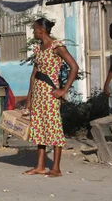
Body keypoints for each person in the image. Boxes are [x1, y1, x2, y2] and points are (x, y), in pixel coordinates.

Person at [24, 18, 78, 178]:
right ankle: (40, 166)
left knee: (53, 128)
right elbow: (34, 74)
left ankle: (56, 168)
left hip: (50, 94)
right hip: (38, 94)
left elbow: (74, 67)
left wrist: (63, 90)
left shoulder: (57, 46)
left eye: (34, 29)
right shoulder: (39, 49)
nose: (33, 32)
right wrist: (29, 98)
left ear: (41, 29)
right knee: (39, 128)